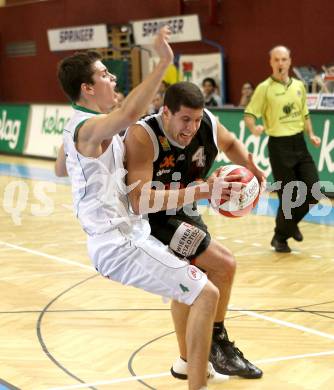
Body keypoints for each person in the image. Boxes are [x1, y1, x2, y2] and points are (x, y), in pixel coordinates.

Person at [54, 27, 230, 390]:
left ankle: (189, 364)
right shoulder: (90, 130)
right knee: (206, 293)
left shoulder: (79, 128)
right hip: (119, 243)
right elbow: (131, 110)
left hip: (133, 234)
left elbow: (60, 167)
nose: (112, 76)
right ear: (87, 88)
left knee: (198, 278)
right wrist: (163, 62)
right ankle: (196, 381)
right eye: (104, 74)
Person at [125, 81, 265, 379]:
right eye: (184, 119)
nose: (191, 127)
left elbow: (228, 144)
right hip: (152, 220)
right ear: (166, 113)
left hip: (184, 211)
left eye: (197, 120)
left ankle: (188, 361)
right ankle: (217, 344)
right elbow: (139, 201)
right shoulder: (143, 135)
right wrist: (201, 191)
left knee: (190, 283)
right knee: (223, 265)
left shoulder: (208, 125)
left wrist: (249, 167)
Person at [244, 45, 321, 253]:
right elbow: (249, 114)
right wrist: (255, 128)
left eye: (284, 59)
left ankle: (286, 227)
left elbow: (304, 113)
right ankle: (281, 238)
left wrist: (311, 134)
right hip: (279, 146)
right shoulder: (264, 88)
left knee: (314, 190)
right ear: (271, 62)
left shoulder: (299, 85)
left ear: (290, 61)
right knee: (288, 196)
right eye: (276, 60)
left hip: (299, 143)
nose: (280, 63)